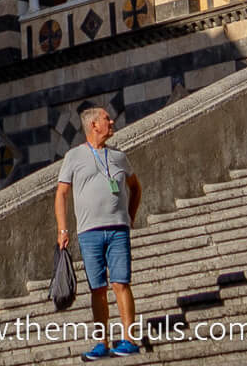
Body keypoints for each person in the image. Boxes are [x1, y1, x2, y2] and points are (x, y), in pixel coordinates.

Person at [55, 104, 142, 359]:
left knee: (121, 283)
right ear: (94, 125)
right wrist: (62, 229)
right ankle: (102, 342)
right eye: (107, 119)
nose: (112, 122)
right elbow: (61, 193)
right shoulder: (73, 157)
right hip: (88, 231)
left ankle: (129, 339)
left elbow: (135, 187)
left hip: (117, 229)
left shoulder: (119, 157)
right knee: (98, 288)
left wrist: (130, 217)